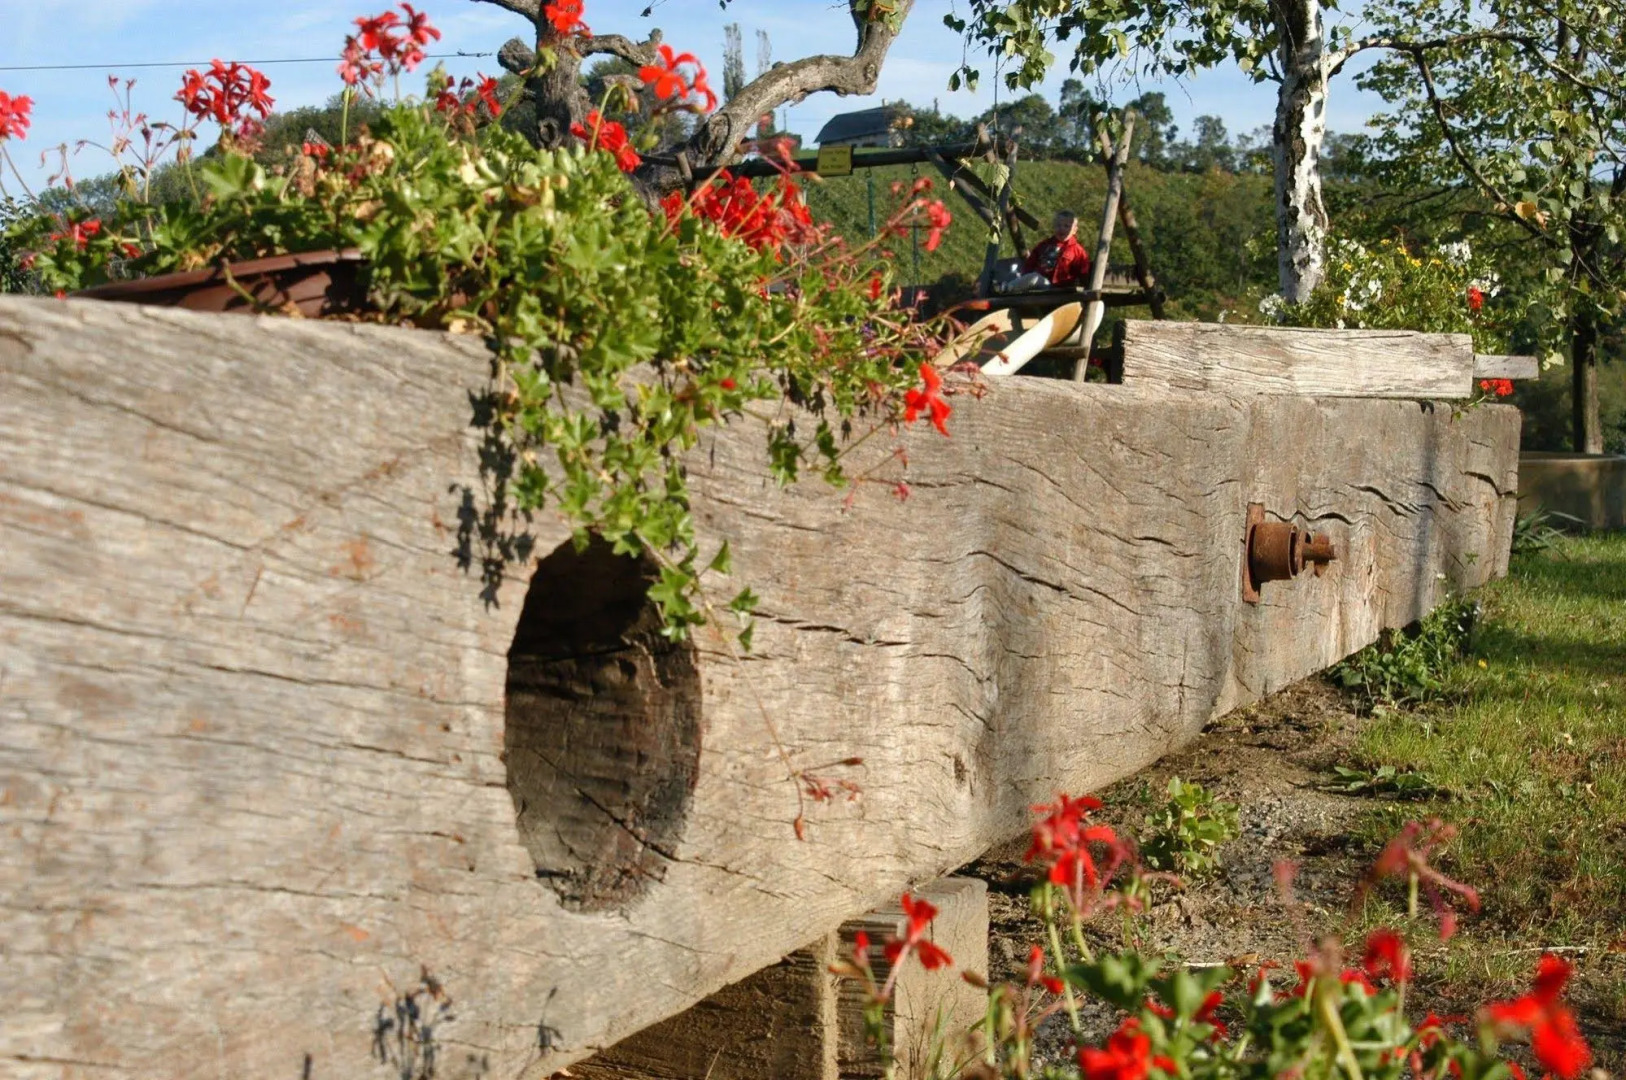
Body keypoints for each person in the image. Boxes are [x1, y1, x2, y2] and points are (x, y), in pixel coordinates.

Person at [1003, 210, 1090, 292]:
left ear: (1074, 230)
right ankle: (1007, 287)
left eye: (1066, 226)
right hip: (1041, 283)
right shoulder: (1044, 245)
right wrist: (1024, 275)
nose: (1061, 229)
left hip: (1059, 287)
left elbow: (1083, 274)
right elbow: (1030, 264)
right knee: (1026, 276)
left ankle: (1006, 288)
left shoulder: (1078, 251)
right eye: (1058, 225)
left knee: (1034, 278)